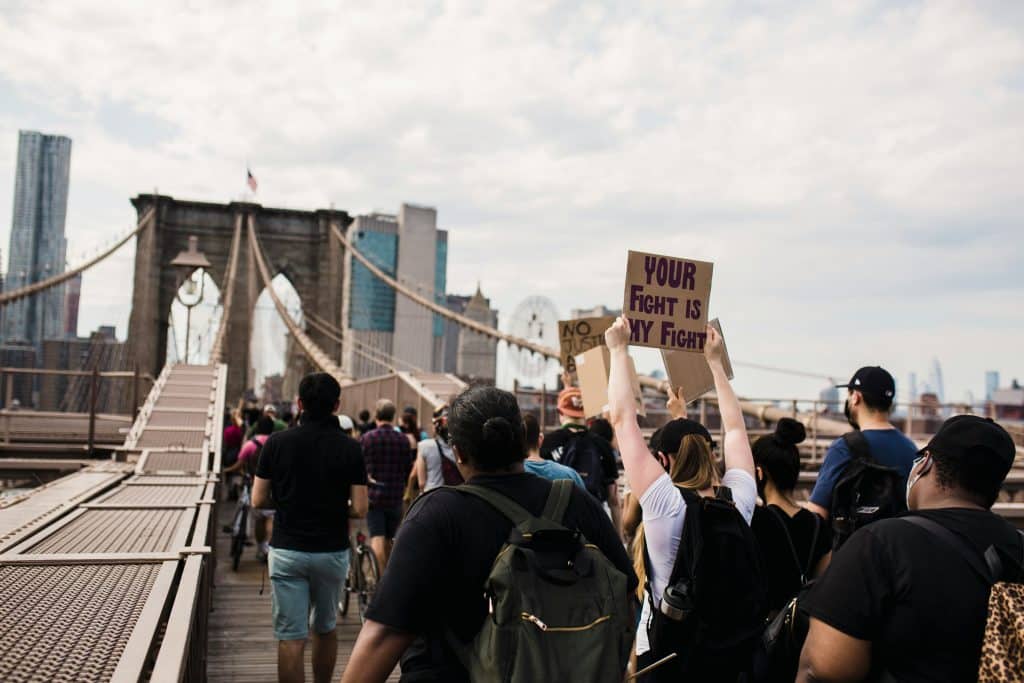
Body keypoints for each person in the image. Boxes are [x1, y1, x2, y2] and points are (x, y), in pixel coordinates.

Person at [340, 386, 637, 683]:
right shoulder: (574, 500)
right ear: (523, 439)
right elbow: (624, 591)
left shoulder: (436, 515)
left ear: (457, 452)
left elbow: (384, 634)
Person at [797, 415, 1023, 682]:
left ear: (924, 464)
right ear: (995, 489)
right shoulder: (1017, 544)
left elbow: (823, 668)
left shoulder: (878, 543)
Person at [606, 318, 760, 681]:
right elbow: (736, 430)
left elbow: (622, 419)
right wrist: (715, 363)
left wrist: (617, 350)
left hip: (668, 660)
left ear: (664, 461)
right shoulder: (738, 500)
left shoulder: (664, 505)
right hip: (727, 659)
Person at [251, 372, 368, 683]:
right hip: (330, 551)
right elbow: (359, 507)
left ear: (299, 404)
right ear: (337, 405)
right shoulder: (351, 449)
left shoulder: (276, 443)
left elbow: (257, 499)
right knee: (325, 628)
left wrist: (289, 501)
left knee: (291, 636)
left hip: (288, 548)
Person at [806, 366, 917, 520]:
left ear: (856, 397)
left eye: (849, 395)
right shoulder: (911, 448)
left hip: (857, 542)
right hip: (900, 541)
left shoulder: (844, 447)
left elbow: (816, 514)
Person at [751, 418, 832, 615]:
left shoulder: (755, 520)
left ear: (759, 473)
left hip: (765, 631)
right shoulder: (818, 525)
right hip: (802, 630)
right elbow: (824, 585)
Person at [542, 387, 622, 532]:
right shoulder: (602, 445)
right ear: (585, 414)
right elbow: (613, 499)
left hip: (558, 524)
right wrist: (620, 541)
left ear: (560, 412)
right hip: (593, 523)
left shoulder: (549, 442)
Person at [360, 399, 414, 571]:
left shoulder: (368, 438)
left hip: (374, 496)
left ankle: (379, 578)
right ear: (393, 416)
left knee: (377, 536)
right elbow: (407, 468)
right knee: (391, 539)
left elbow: (361, 468)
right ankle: (390, 579)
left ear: (376, 414)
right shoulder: (403, 440)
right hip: (395, 495)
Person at [224, 415, 277, 560]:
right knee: (271, 517)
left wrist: (228, 470)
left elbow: (239, 464)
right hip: (275, 488)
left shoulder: (250, 445)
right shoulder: (277, 443)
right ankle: (269, 548)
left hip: (255, 486)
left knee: (259, 518)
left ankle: (260, 548)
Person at [415, 405, 462, 492]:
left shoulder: (424, 446)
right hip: (456, 496)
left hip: (431, 495)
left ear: (435, 425)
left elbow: (421, 483)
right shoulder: (460, 447)